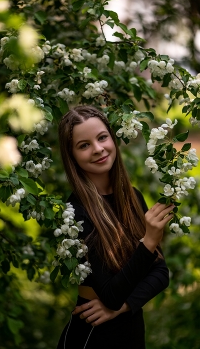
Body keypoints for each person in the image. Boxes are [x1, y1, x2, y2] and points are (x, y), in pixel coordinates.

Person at [57, 105, 172, 349]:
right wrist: (149, 241)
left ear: (112, 138)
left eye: (102, 137)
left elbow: (161, 274)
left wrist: (122, 307)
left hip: (130, 329)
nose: (98, 149)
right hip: (92, 335)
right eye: (84, 145)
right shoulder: (74, 214)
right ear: (73, 156)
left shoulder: (132, 197)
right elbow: (109, 294)